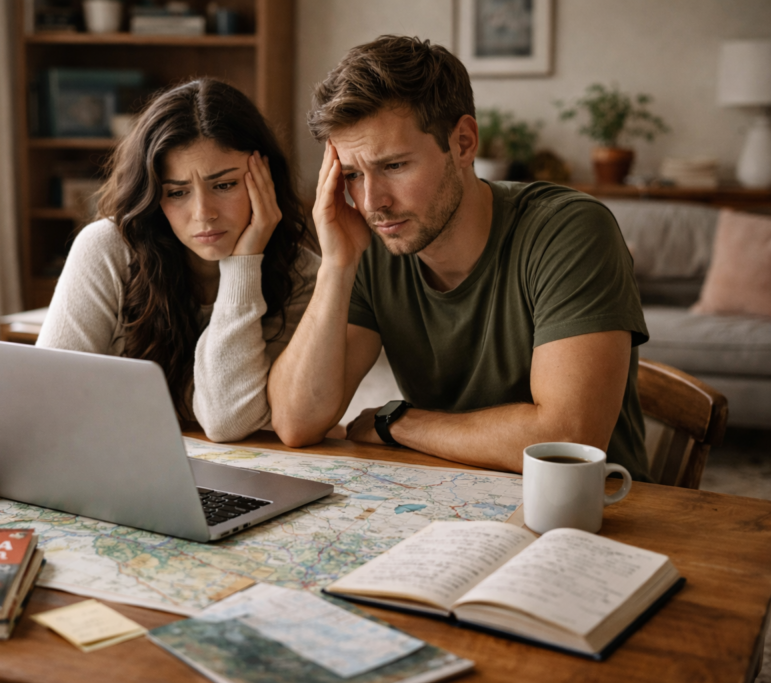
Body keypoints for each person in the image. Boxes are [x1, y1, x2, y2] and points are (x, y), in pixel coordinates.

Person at [268, 36, 651, 481]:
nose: (372, 203)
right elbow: (296, 422)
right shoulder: (374, 245)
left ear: (464, 143)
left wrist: (399, 422)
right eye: (352, 174)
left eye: (393, 166)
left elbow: (565, 439)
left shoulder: (569, 231)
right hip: (452, 501)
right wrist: (336, 264)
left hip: (592, 510)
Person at [37, 78, 319, 443]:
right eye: (177, 192)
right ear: (154, 197)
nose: (204, 213)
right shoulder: (107, 248)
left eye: (224, 185)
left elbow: (227, 422)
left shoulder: (302, 274)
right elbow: (50, 399)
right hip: (113, 458)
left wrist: (244, 265)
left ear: (266, 181)